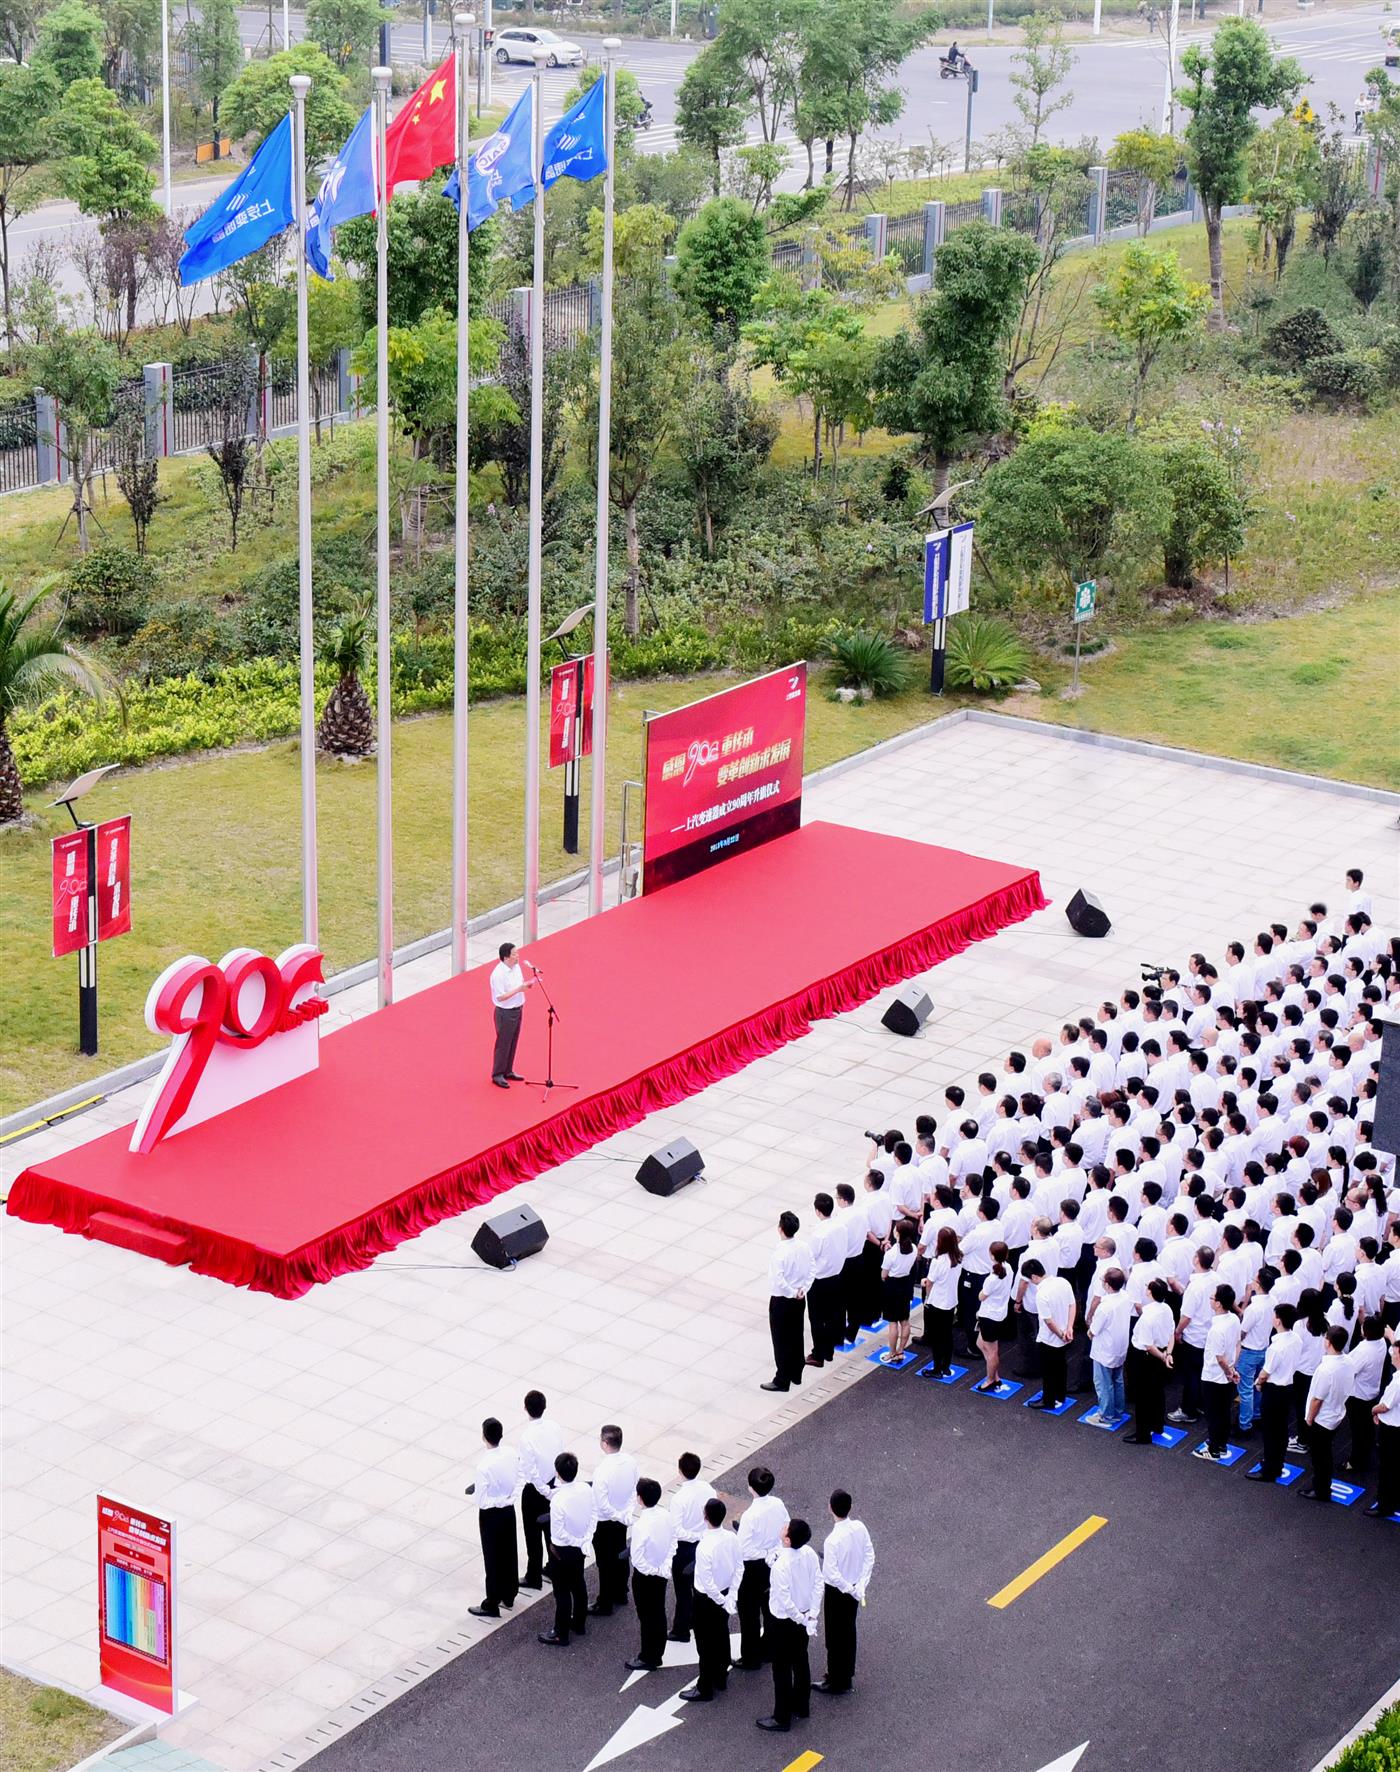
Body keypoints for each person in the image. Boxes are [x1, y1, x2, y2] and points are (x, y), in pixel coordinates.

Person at [758, 1519, 822, 1733]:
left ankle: (781, 1717)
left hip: (783, 1623)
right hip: (803, 1617)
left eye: (785, 1527)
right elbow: (817, 1584)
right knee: (801, 1661)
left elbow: (785, 1601)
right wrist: (811, 1616)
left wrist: (802, 1618)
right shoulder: (810, 1554)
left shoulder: (780, 1566)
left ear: (787, 1538)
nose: (783, 1526)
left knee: (782, 1669)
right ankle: (802, 1706)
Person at [682, 1498, 740, 1701]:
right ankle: (721, 1675)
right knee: (721, 1633)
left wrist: (721, 1600)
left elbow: (706, 1582)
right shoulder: (732, 1539)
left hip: (706, 1600)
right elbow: (739, 1567)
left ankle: (705, 1687)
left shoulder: (704, 1546)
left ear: (705, 1517)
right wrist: (730, 1597)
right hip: (725, 1593)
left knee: (705, 1643)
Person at [816, 1490, 873, 1698]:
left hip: (838, 1592)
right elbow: (869, 1555)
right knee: (848, 1632)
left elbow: (831, 1573)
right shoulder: (859, 1527)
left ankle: (834, 1679)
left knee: (834, 1635)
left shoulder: (832, 1541)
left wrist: (849, 1588)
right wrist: (861, 1586)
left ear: (830, 1508)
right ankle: (846, 1676)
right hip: (855, 1588)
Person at [539, 1451, 595, 1646]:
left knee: (561, 1592)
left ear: (557, 1472)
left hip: (562, 1552)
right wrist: (585, 1539)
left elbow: (558, 1534)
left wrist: (576, 1541)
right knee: (578, 1583)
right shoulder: (586, 1490)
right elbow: (593, 1514)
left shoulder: (558, 1501)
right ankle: (579, 1623)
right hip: (581, 1546)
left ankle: (560, 1633)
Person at [735, 1466, 789, 1671]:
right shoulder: (778, 1504)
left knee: (749, 1613)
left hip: (753, 1567)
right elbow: (786, 1528)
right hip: (774, 1562)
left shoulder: (751, 1515)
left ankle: (750, 1657)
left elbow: (743, 1549)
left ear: (750, 1488)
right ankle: (769, 1648)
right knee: (770, 1608)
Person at [466, 1417, 520, 1619]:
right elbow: (519, 1477)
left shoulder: (483, 1466)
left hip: (491, 1515)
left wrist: (496, 1500)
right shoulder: (511, 1454)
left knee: (492, 1557)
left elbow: (482, 1501)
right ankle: (509, 1594)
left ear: (483, 1436)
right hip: (509, 1509)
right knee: (509, 1551)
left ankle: (492, 1602)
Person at [627, 1478, 677, 1672]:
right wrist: (665, 1567)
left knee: (647, 1616)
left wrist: (655, 1571)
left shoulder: (641, 1525)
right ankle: (658, 1652)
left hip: (646, 1577)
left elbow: (637, 1559)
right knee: (658, 1611)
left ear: (640, 1499)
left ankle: (648, 1657)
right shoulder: (666, 1515)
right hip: (661, 1572)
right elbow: (674, 1541)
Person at [1248, 1301, 1301, 1483]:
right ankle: (1277, 1462)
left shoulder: (1276, 1347)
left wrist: (1258, 1383)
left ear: (1278, 1321)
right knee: (1281, 1429)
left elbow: (1265, 1373)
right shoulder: (1296, 1339)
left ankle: (1270, 1469)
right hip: (1288, 1388)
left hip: (1274, 1390)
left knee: (1271, 1432)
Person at [518, 1389, 564, 1591]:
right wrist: (553, 1488)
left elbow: (531, 1471)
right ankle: (554, 1568)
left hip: (536, 1492)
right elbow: (560, 1455)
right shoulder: (555, 1427)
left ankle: (533, 1575)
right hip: (554, 1484)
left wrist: (544, 1490)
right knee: (552, 1532)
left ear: (526, 1409)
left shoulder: (526, 1437)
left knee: (533, 1535)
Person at [590, 1425, 638, 1617]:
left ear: (604, 1443)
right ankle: (621, 1591)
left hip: (605, 1522)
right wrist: (625, 1513)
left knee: (605, 1563)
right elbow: (635, 1489)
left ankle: (605, 1602)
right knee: (620, 1555)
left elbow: (601, 1504)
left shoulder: (602, 1471)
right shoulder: (630, 1462)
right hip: (622, 1518)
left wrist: (618, 1514)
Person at [764, 1211, 814, 1393]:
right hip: (800, 1298)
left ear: (780, 1229)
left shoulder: (779, 1254)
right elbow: (812, 1269)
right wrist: (803, 1289)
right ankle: (796, 1372)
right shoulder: (804, 1247)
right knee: (796, 1334)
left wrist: (793, 1292)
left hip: (783, 1300)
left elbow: (778, 1281)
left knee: (781, 1339)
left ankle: (782, 1378)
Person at [668, 1451, 715, 1643]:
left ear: (680, 1471)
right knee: (698, 1586)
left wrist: (694, 1535)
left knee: (682, 1590)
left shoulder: (679, 1499)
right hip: (704, 1544)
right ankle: (695, 1620)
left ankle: (681, 1630)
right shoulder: (708, 1490)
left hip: (685, 1548)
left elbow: (677, 1530)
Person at [1302, 1324, 1352, 1500]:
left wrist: (1309, 1419)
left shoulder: (1325, 1370)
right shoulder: (1348, 1361)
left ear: (1328, 1342)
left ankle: (1321, 1489)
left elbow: (1317, 1399)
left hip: (1322, 1420)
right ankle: (1323, 1486)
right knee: (1325, 1454)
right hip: (1337, 1414)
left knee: (1320, 1457)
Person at [1194, 1284, 1242, 1462]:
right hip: (1227, 1374)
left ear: (1219, 1304)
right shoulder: (1234, 1320)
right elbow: (1238, 1345)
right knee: (1224, 1412)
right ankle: (1221, 1444)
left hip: (1214, 1377)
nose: (1210, 1300)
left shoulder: (1216, 1330)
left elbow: (1219, 1358)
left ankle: (1214, 1449)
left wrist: (1228, 1371)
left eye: (1212, 1298)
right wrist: (1233, 1368)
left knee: (1213, 1414)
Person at [1126, 1277, 1175, 1443]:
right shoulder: (1167, 1309)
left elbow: (1147, 1345)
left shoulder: (1147, 1316)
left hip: (1145, 1358)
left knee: (1143, 1397)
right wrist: (1167, 1354)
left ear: (1150, 1293)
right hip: (1160, 1354)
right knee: (1157, 1392)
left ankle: (1142, 1434)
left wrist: (1162, 1356)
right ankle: (1158, 1424)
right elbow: (1171, 1334)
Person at [805, 1193, 845, 1369]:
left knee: (817, 1319)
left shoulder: (818, 1233)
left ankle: (818, 1354)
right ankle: (829, 1350)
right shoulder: (840, 1226)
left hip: (820, 1281)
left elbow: (810, 1257)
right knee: (831, 1315)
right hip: (837, 1277)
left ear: (817, 1211)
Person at [489, 940, 536, 1088]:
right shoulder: (498, 974)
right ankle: (497, 1074)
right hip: (505, 1013)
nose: (518, 956)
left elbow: (519, 984)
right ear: (506, 957)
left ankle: (508, 1070)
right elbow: (500, 997)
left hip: (517, 1009)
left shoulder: (516, 968)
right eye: (514, 954)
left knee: (513, 1041)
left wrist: (526, 986)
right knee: (503, 1043)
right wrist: (519, 989)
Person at [1087, 1267, 1130, 1424]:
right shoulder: (1125, 1297)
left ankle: (1106, 1415)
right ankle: (1118, 1410)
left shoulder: (1104, 1307)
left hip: (1104, 1350)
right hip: (1120, 1347)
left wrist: (1090, 1333)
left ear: (1107, 1285)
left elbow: (1094, 1330)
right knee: (1118, 1380)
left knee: (1104, 1384)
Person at [1032, 1262, 1077, 1409]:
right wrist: (1069, 1328)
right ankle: (1060, 1395)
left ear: (1034, 1277)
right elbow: (1072, 1304)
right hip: (1065, 1333)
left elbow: (1048, 1321)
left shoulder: (1041, 1294)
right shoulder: (1063, 1282)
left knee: (1048, 1370)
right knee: (1061, 1366)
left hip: (1050, 1338)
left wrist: (1060, 1334)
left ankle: (1048, 1400)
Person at [974, 1242, 1016, 1393]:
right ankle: (994, 1374)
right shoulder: (1009, 1269)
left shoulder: (992, 1278)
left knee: (992, 1351)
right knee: (981, 1343)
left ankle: (991, 1379)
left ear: (992, 1256)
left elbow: (981, 1296)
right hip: (998, 1314)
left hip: (990, 1317)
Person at [921, 1225, 961, 1376]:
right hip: (951, 1301)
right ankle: (946, 1366)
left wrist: (926, 1295)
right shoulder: (958, 1257)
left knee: (937, 1338)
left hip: (937, 1302)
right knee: (947, 1335)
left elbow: (930, 1282)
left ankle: (937, 1368)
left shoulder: (938, 1261)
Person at [879, 1222, 918, 1363]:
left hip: (893, 1286)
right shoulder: (913, 1248)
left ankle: (892, 1352)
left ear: (897, 1233)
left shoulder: (891, 1254)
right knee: (905, 1320)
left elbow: (884, 1274)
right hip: (906, 1285)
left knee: (893, 1322)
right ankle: (901, 1351)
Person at [1367, 1363, 1400, 1519]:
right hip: (1395, 1427)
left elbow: (1385, 1406)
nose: (1392, 1352)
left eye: (1395, 1351)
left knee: (1387, 1467)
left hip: (1391, 1429)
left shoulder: (1398, 1382)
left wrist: (1373, 1410)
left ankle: (1384, 1506)